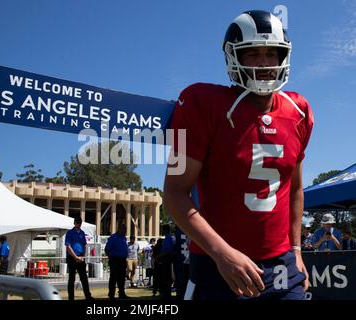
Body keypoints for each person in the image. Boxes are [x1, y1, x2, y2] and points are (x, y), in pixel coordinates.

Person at [164, 10, 314, 300]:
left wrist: (296, 251)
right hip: (217, 264)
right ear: (233, 57)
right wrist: (223, 254)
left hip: (281, 264)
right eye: (252, 53)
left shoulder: (299, 111)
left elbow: (294, 188)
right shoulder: (199, 102)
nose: (264, 63)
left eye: (272, 53)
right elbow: (174, 194)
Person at [65, 216, 93, 301]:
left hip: (80, 257)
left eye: (80, 222)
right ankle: (71, 298)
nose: (79, 224)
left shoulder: (82, 233)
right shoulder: (69, 233)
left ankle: (88, 296)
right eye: (77, 222)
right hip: (72, 257)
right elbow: (68, 246)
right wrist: (75, 257)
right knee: (71, 279)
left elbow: (84, 245)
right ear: (74, 223)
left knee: (84, 278)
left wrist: (83, 256)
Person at [105, 224, 129, 300]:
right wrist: (111, 257)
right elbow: (107, 249)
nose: (125, 231)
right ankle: (111, 295)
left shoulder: (124, 238)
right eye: (124, 229)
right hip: (115, 260)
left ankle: (121, 293)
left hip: (122, 260)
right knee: (113, 278)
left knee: (122, 278)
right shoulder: (113, 237)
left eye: (125, 229)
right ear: (120, 229)